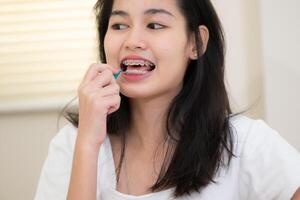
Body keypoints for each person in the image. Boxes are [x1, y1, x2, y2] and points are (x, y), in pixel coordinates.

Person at [34, 0, 300, 199]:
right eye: (119, 25)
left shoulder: (246, 143)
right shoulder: (73, 144)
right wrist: (88, 144)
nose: (132, 40)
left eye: (155, 25)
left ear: (196, 43)